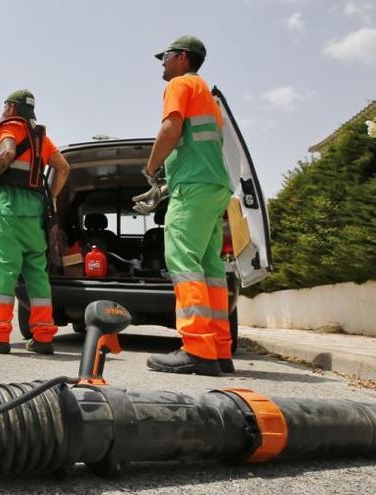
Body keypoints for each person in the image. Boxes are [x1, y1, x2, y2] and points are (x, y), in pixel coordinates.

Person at [143, 35, 233, 376]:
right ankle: (219, 350)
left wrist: (151, 168)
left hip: (193, 189)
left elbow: (170, 128)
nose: (162, 63)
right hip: (214, 186)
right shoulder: (207, 96)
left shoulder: (181, 84)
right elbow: (198, 145)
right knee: (211, 269)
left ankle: (196, 348)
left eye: (164, 56)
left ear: (181, 57)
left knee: (182, 261)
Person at [0, 89, 70, 355]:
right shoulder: (41, 138)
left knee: (5, 273)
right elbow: (64, 167)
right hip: (35, 217)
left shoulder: (9, 127)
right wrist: (52, 197)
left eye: (4, 106)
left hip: (9, 213)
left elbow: (7, 153)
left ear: (11, 107)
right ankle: (44, 336)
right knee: (37, 275)